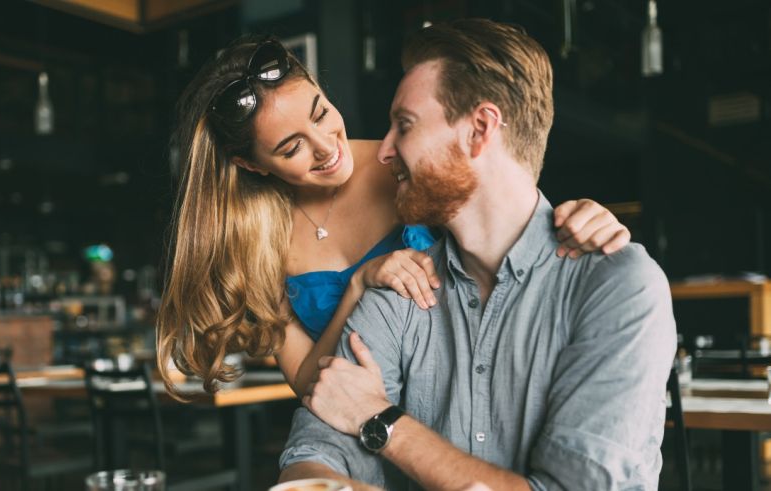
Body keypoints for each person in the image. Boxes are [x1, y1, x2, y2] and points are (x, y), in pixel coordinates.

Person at [279, 18, 676, 490]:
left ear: (480, 129)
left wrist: (381, 421)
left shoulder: (617, 284)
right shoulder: (402, 287)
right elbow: (314, 452)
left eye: (403, 126)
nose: (384, 152)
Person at [155, 33, 631, 399]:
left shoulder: (404, 163)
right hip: (353, 432)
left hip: (469, 403)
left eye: (321, 114)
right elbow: (305, 381)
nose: (326, 149)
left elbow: (511, 225)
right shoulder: (257, 239)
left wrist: (580, 221)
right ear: (252, 165)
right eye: (292, 147)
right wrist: (359, 286)